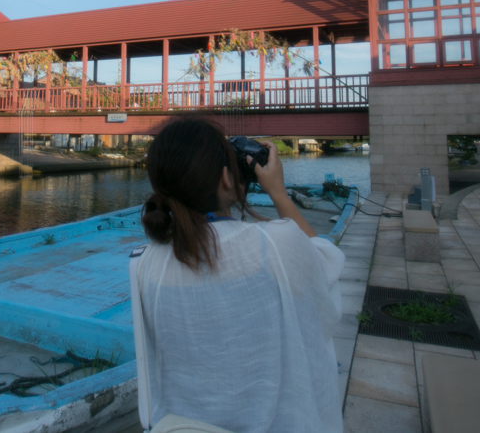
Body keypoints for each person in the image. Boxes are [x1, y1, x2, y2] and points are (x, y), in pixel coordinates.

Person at [129, 118, 345, 432]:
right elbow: (326, 267)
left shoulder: (144, 263)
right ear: (227, 179)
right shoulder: (275, 245)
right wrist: (279, 194)